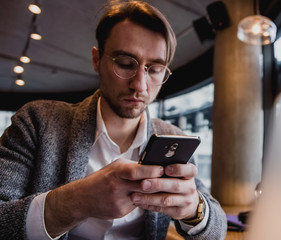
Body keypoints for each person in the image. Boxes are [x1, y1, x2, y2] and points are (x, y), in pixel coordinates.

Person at [0, 1, 227, 239]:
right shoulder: (38, 123)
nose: (139, 85)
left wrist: (195, 210)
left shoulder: (174, 138)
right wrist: (75, 201)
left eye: (155, 69)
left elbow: (217, 227)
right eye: (125, 64)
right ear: (97, 60)